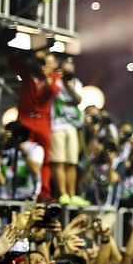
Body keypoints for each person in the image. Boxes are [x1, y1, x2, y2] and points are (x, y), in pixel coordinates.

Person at [10, 49, 62, 199]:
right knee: (20, 153)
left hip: (43, 121)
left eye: (48, 62)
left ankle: (44, 191)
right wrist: (33, 54)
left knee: (45, 158)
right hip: (25, 119)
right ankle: (17, 188)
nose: (45, 65)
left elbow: (53, 90)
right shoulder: (29, 73)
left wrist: (46, 75)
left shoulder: (55, 77)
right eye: (43, 62)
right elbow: (13, 62)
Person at [50, 57, 89, 206]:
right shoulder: (54, 81)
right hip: (57, 125)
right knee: (58, 161)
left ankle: (72, 194)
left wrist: (68, 85)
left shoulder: (76, 83)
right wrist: (59, 80)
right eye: (65, 70)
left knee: (72, 162)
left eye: (70, 70)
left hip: (71, 125)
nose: (68, 73)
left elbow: (78, 100)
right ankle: (62, 193)